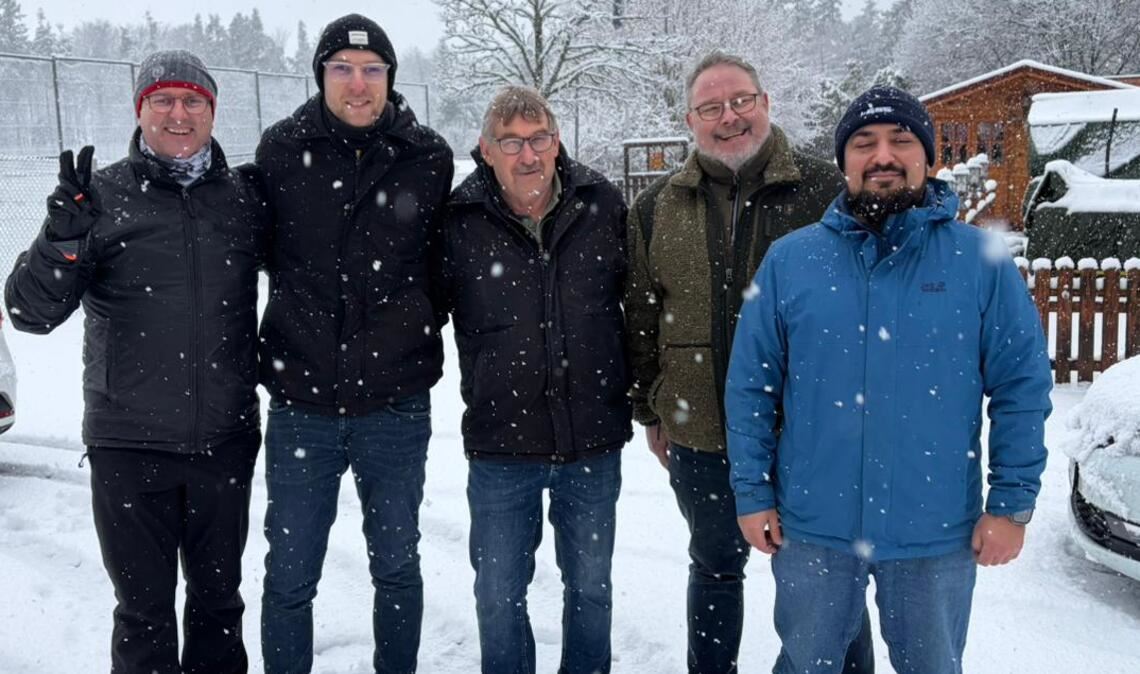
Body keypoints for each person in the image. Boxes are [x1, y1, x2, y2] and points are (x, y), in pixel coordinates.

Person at [725, 85, 1053, 674]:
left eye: (902, 141)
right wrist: (752, 493)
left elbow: (1021, 388)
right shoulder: (791, 261)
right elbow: (751, 386)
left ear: (928, 157)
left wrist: (1011, 504)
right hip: (814, 529)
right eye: (864, 143)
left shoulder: (981, 262)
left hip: (933, 532)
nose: (883, 155)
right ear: (844, 162)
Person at [5, 50, 267, 673]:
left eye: (193, 102)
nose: (179, 114)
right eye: (163, 101)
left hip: (224, 443)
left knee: (218, 606)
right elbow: (29, 312)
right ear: (140, 110)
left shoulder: (242, 200)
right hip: (129, 446)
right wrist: (61, 241)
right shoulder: (99, 198)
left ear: (212, 113)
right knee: (143, 614)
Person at [624, 51, 874, 673]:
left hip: (811, 439)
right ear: (690, 120)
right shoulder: (657, 207)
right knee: (713, 569)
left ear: (765, 103)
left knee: (829, 580)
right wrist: (652, 407)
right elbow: (640, 317)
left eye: (741, 101)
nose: (728, 117)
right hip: (702, 434)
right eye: (711, 108)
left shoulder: (827, 190)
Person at [253, 13, 453, 674]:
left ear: (391, 78)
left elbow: (443, 268)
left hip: (394, 408)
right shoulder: (281, 151)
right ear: (321, 75)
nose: (358, 83)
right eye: (342, 68)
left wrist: (408, 334)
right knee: (289, 572)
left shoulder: (427, 157)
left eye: (372, 69)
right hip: (300, 404)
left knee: (396, 565)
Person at [438, 85, 632, 674]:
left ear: (557, 140)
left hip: (592, 440)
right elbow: (415, 309)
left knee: (591, 589)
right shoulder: (458, 220)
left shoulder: (601, 203)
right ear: (485, 150)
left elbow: (642, 305)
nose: (530, 156)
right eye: (512, 143)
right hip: (501, 445)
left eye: (540, 139)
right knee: (498, 595)